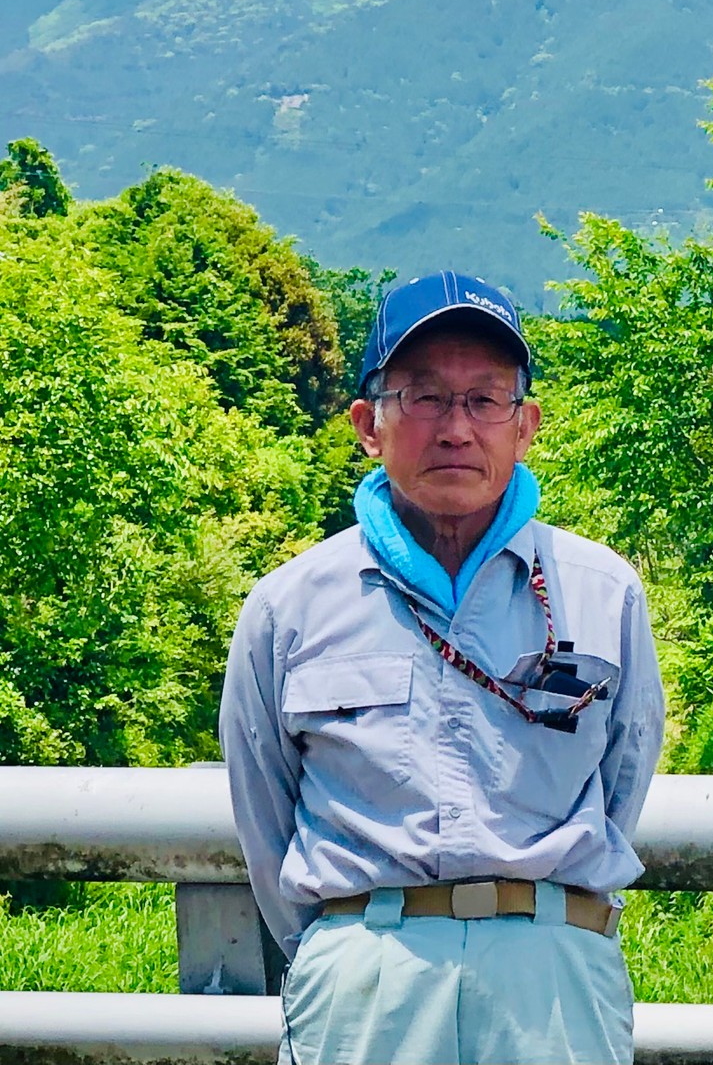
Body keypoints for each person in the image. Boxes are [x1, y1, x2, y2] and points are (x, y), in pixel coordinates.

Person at [220, 271, 665, 1065]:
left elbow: (624, 776)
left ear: (525, 426)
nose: (457, 428)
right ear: (368, 424)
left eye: (485, 400)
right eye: (424, 398)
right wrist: (349, 941)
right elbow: (265, 810)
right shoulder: (290, 606)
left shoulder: (603, 593)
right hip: (364, 978)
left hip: (554, 975)